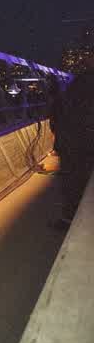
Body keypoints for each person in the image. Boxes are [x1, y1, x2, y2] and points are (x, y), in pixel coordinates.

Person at [55, 56, 94, 227]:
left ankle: (70, 218)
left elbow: (65, 111)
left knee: (72, 179)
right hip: (82, 141)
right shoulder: (83, 83)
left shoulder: (80, 83)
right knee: (79, 178)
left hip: (74, 142)